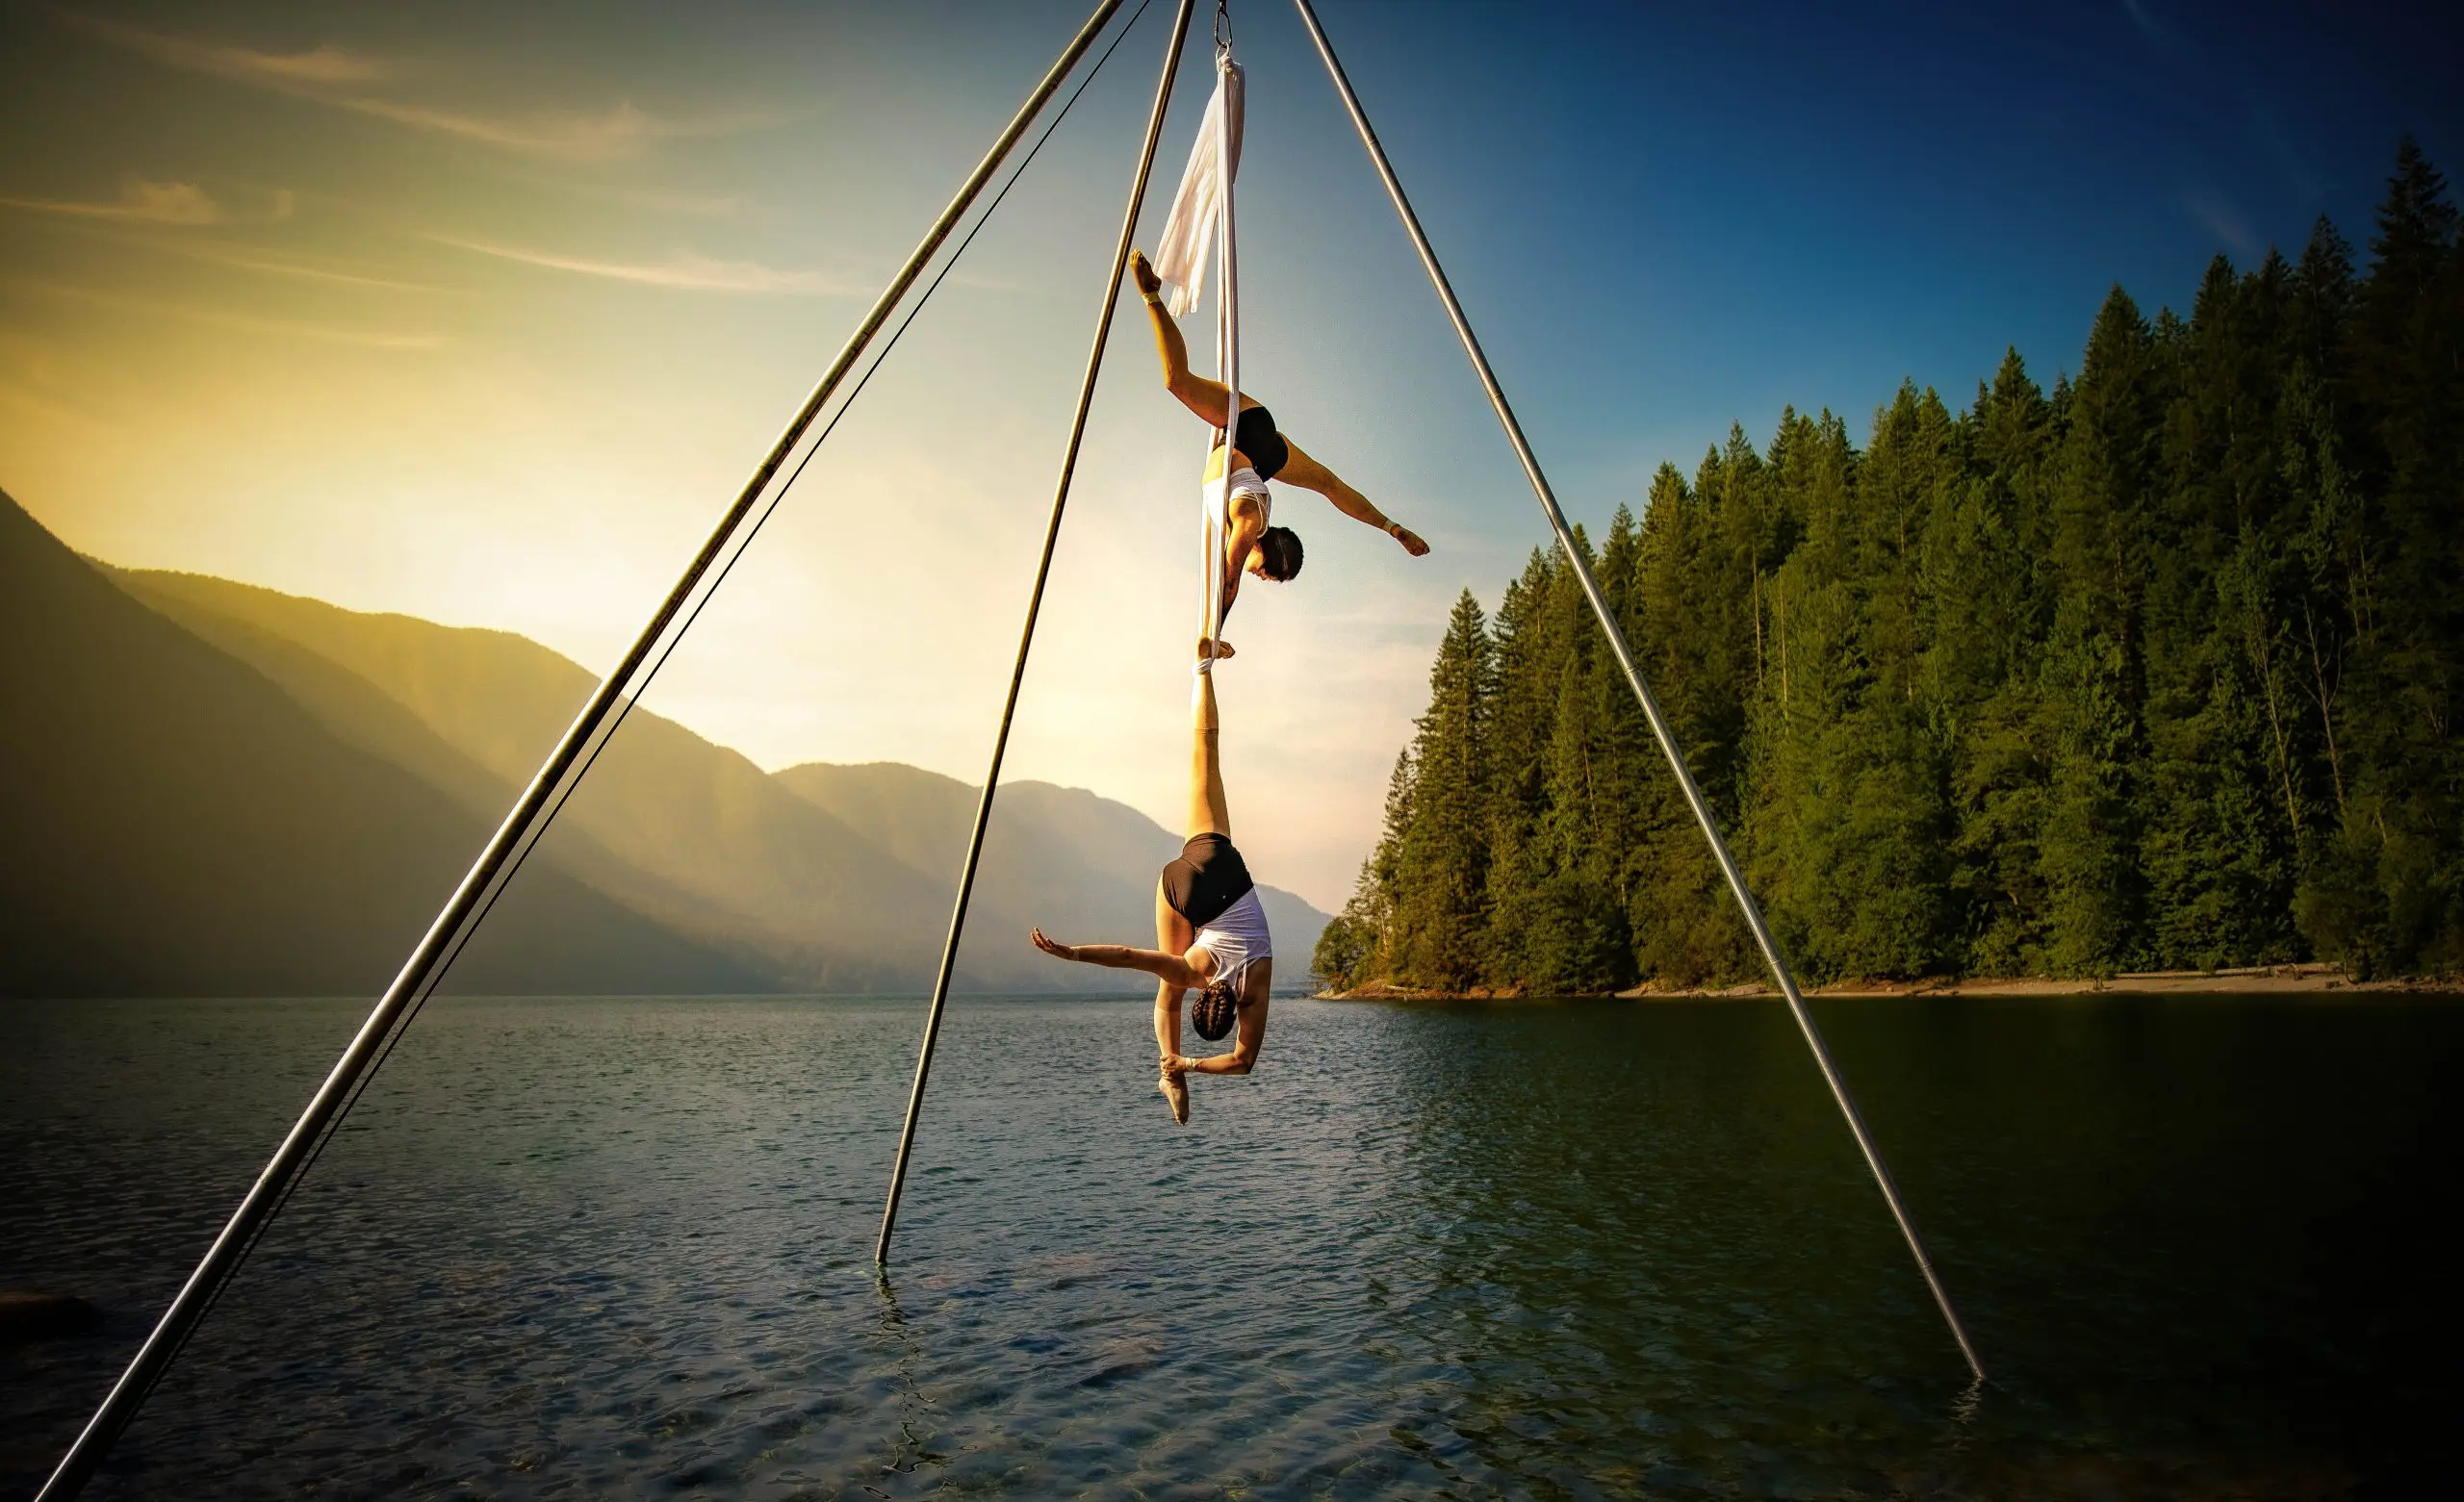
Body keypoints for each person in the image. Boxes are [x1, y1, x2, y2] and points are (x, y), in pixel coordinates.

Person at [1128, 247, 1428, 660]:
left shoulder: (1255, 507)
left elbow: (1337, 490)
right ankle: (1151, 295)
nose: (1264, 581)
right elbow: (1229, 575)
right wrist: (1211, 634)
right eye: (1270, 578)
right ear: (1270, 556)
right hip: (1247, 428)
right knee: (1176, 380)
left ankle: (1391, 528)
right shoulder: (1248, 524)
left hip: (1263, 452)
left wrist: (1393, 529)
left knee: (1326, 482)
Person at [1030, 656, 1270, 1124]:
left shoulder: (1254, 991)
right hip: (1175, 886)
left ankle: (1203, 667)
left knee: (1207, 754)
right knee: (1166, 989)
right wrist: (1069, 952)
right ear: (1203, 998)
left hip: (1216, 864)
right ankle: (1168, 1075)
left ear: (1227, 1006)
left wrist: (1195, 1063)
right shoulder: (1191, 975)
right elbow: (1128, 955)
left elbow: (1243, 1062)